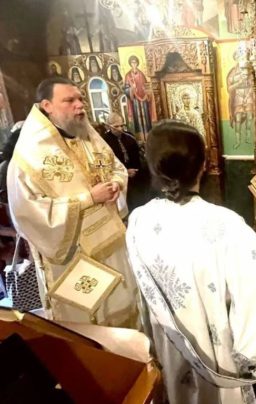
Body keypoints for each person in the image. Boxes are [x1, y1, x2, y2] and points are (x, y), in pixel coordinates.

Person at [126, 120, 256, 403]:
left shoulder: (139, 220)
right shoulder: (228, 227)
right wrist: (252, 358)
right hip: (222, 364)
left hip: (171, 351)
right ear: (203, 166)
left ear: (153, 167)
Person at [7, 77, 138, 327]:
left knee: (123, 308)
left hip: (112, 243)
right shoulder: (29, 157)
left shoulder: (88, 137)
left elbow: (117, 168)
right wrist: (89, 199)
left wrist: (116, 184)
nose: (79, 105)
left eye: (80, 99)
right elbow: (27, 213)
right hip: (72, 254)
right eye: (69, 100)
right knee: (89, 321)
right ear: (47, 106)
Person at [102, 112, 147, 211]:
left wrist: (135, 170)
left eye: (122, 126)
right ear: (108, 127)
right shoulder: (104, 141)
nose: (120, 129)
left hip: (136, 175)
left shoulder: (129, 137)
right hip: (119, 178)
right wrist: (126, 171)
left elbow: (136, 157)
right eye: (116, 126)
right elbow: (110, 163)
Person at [124, 55, 154, 139]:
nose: (134, 64)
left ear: (137, 63)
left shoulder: (141, 74)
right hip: (135, 100)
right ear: (130, 64)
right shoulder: (128, 76)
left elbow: (146, 85)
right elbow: (126, 89)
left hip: (144, 99)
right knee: (137, 117)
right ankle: (140, 137)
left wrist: (146, 92)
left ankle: (148, 135)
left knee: (146, 116)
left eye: (135, 62)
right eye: (132, 62)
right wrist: (131, 89)